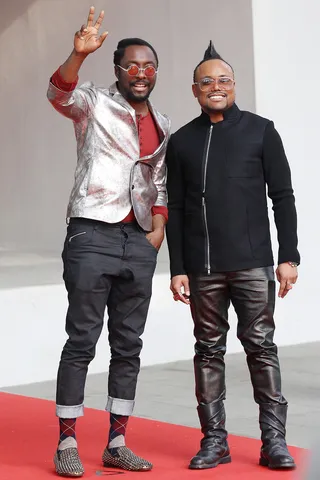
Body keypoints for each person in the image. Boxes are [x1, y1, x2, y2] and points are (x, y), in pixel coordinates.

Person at [47, 6, 170, 477]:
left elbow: (159, 176)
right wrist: (77, 56)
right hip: (92, 231)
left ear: (155, 72)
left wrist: (157, 227)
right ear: (117, 70)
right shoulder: (94, 102)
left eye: (148, 66)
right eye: (131, 66)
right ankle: (67, 442)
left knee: (128, 343)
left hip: (137, 240)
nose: (140, 73)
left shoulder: (162, 119)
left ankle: (116, 442)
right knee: (81, 341)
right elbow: (58, 93)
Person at [166, 41, 300, 471]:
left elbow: (282, 197)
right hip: (203, 268)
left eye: (223, 80)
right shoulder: (184, 141)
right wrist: (178, 267)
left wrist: (289, 256)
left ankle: (274, 443)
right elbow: (178, 209)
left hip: (253, 262)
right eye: (207, 82)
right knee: (208, 351)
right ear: (195, 90)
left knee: (261, 348)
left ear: (234, 85)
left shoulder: (262, 130)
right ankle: (214, 442)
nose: (216, 87)